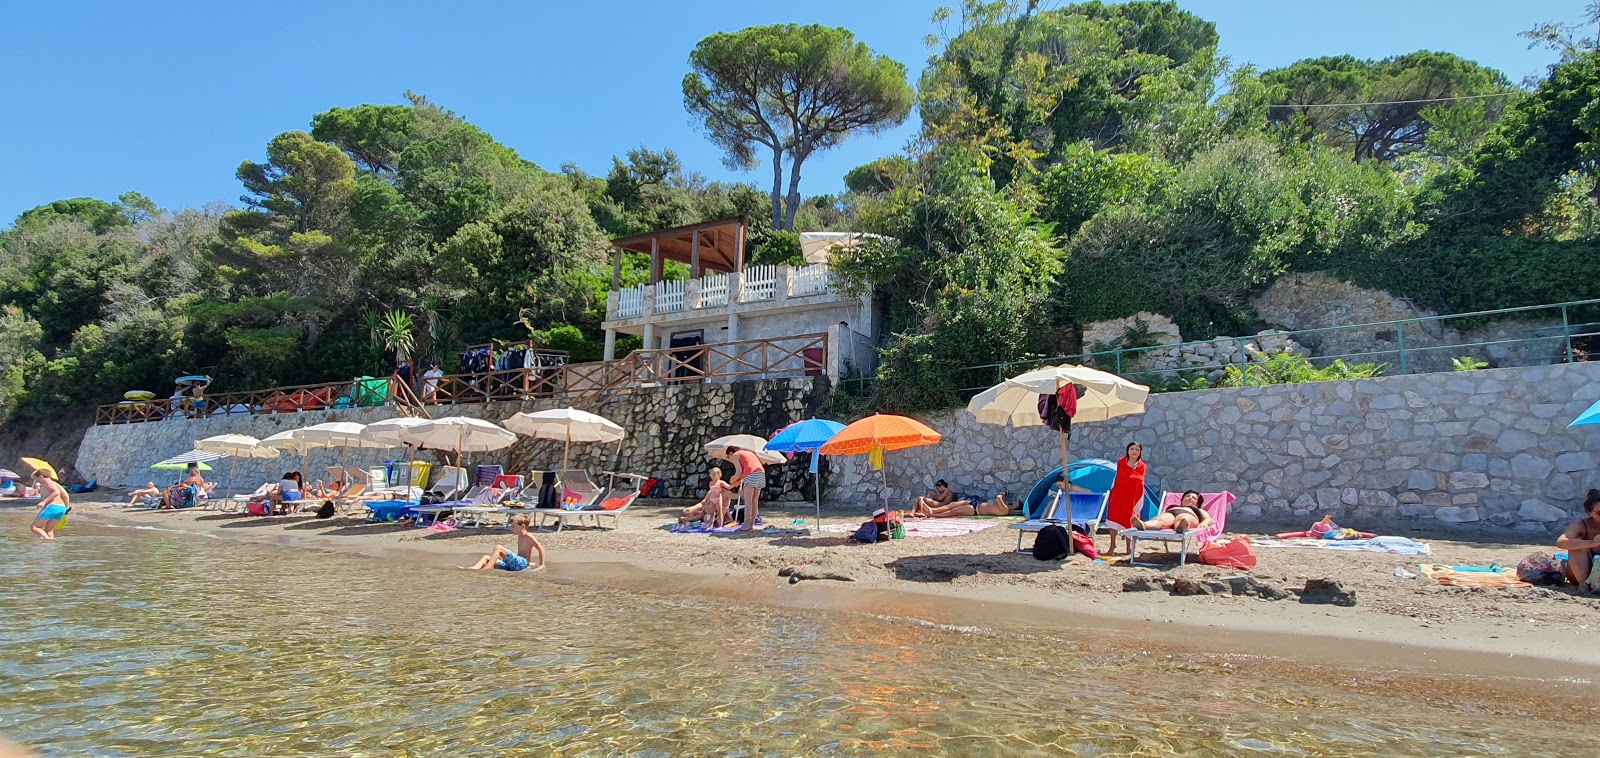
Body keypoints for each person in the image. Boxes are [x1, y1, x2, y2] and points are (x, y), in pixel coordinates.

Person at [1103, 441, 1148, 555]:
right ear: (1128, 450)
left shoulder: (1142, 466)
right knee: (1114, 518)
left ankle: (1129, 547)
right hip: (1119, 494)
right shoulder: (1121, 461)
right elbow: (1121, 477)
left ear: (1140, 452)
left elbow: (1139, 480)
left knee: (1130, 520)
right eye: (1132, 449)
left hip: (1132, 497)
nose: (1134, 451)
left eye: (1137, 449)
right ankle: (1113, 545)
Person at [459, 513, 546, 571]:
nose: (512, 529)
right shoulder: (520, 536)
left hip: (522, 564)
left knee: (498, 548)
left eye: (513, 527)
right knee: (486, 558)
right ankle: (473, 569)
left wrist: (541, 565)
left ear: (522, 526)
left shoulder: (528, 536)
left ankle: (486, 569)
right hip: (516, 564)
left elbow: (540, 548)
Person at [1557, 489, 1600, 591]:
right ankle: (1583, 586)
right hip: (1582, 572)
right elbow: (1561, 542)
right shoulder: (1581, 525)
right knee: (1577, 543)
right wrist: (1592, 543)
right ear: (1589, 512)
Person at [726, 445, 767, 531]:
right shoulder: (748, 452)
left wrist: (732, 479)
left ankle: (746, 524)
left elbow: (739, 471)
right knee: (754, 501)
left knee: (748, 501)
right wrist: (739, 479)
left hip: (751, 474)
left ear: (730, 453)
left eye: (728, 457)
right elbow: (745, 470)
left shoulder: (735, 455)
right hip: (761, 473)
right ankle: (751, 524)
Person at [1133, 490, 1211, 533]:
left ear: (1197, 504)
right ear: (1182, 499)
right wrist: (1155, 518)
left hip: (1189, 514)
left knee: (1183, 518)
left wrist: (1204, 522)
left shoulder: (1198, 510)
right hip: (1171, 513)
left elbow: (1208, 519)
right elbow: (1160, 515)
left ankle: (1181, 527)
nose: (1190, 498)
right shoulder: (1173, 507)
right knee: (1160, 520)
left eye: (1193, 498)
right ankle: (1144, 525)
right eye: (1187, 496)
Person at [30, 470, 70, 540]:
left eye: (37, 479)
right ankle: (50, 544)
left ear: (41, 476)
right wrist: (66, 509)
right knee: (49, 530)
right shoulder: (55, 484)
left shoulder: (48, 483)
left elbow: (56, 492)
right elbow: (66, 495)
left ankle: (47, 540)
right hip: (61, 508)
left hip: (52, 507)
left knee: (35, 527)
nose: (37, 481)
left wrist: (43, 502)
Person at [919, 492, 1018, 518]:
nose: (1012, 503)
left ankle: (933, 514)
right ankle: (933, 510)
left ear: (1015, 508)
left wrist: (1002, 494)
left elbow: (999, 498)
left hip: (975, 510)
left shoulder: (1006, 510)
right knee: (953, 504)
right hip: (976, 504)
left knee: (953, 512)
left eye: (1014, 504)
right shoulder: (1005, 506)